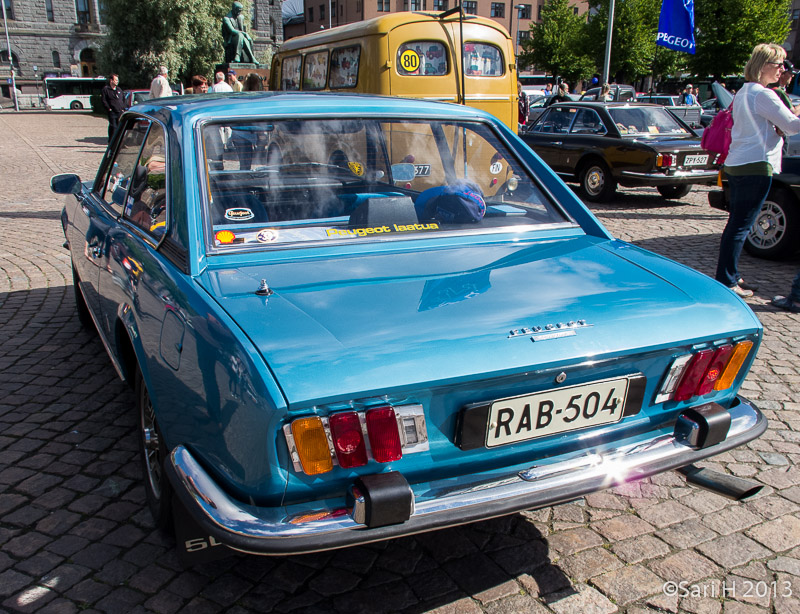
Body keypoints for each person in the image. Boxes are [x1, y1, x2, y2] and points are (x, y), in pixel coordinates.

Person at [715, 43, 800, 298]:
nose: (782, 70)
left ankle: (730, 274)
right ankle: (727, 279)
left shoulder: (744, 92)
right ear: (763, 66)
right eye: (778, 65)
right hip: (756, 165)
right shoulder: (764, 94)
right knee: (741, 225)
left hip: (739, 163)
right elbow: (793, 126)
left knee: (737, 224)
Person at [101, 73, 125, 141]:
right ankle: (112, 142)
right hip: (112, 112)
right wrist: (109, 108)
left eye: (118, 80)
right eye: (116, 80)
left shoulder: (119, 89)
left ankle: (120, 142)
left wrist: (123, 108)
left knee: (120, 127)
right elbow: (104, 100)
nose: (117, 81)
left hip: (120, 112)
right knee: (113, 127)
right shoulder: (106, 89)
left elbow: (123, 99)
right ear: (111, 80)